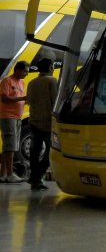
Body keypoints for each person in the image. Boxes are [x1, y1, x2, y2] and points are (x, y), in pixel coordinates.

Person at [26, 58, 57, 190]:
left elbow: (28, 101)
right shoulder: (52, 81)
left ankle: (35, 178)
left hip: (34, 121)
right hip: (48, 122)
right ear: (50, 67)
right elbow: (55, 101)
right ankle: (37, 176)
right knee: (52, 151)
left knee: (35, 151)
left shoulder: (32, 82)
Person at [0, 60, 29, 183]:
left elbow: (19, 99)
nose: (26, 74)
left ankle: (3, 175)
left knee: (10, 146)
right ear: (17, 70)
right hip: (8, 116)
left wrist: (26, 101)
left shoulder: (22, 82)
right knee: (10, 145)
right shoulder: (7, 81)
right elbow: (4, 98)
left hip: (17, 117)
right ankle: (10, 174)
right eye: (25, 71)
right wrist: (22, 98)